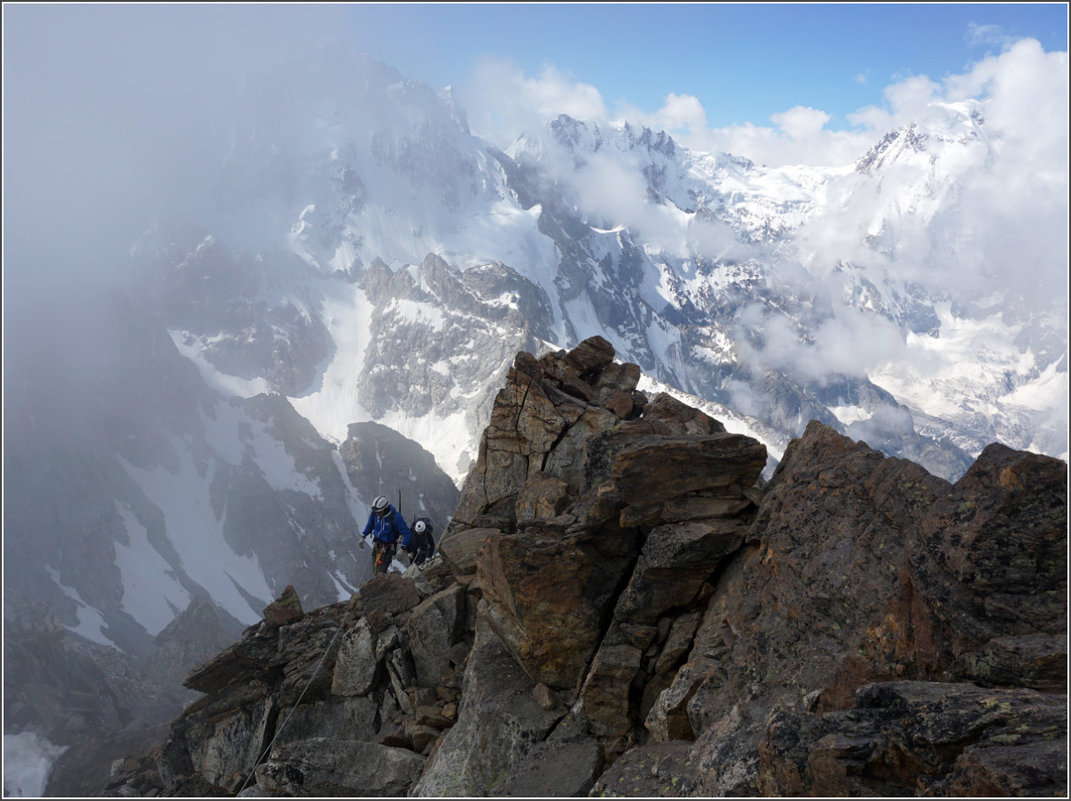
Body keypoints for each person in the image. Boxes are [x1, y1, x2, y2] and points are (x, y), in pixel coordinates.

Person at [362, 494, 413, 575]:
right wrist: (363, 536)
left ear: (385, 509)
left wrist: (403, 548)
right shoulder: (375, 513)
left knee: (380, 571)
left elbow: (407, 533)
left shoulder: (396, 517)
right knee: (375, 570)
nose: (377, 514)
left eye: (379, 512)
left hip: (388, 548)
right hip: (377, 545)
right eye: (376, 512)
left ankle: (383, 584)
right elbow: (370, 524)